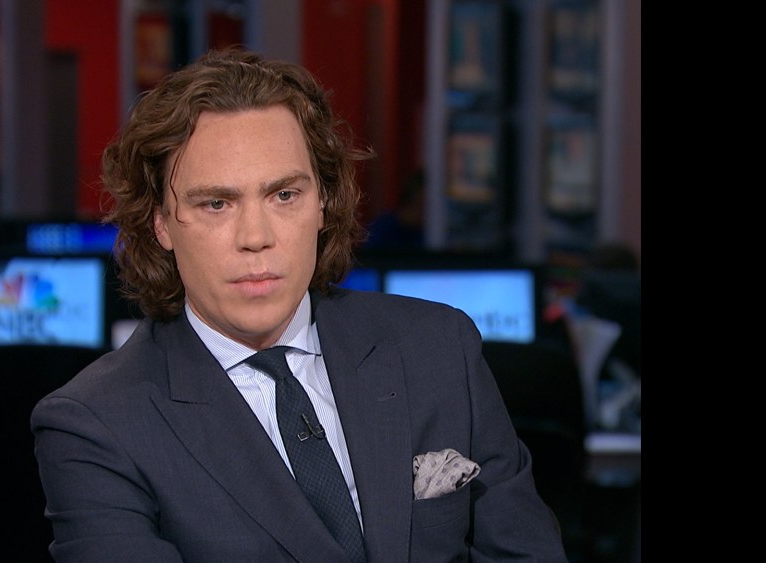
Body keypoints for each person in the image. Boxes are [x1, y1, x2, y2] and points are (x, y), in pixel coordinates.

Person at [31, 48, 567, 562]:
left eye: (284, 195)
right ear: (162, 224)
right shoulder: (96, 425)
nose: (256, 237)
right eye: (216, 204)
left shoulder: (438, 348)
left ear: (323, 204)